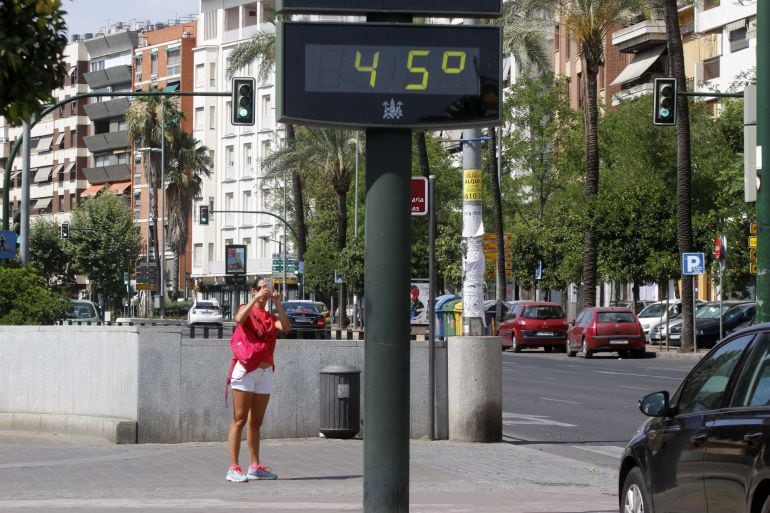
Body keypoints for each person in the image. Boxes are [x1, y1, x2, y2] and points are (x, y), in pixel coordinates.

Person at [226, 277, 290, 483]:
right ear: (254, 291)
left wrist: (278, 303)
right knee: (240, 419)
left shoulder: (270, 317)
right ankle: (233, 467)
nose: (264, 291)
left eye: (267, 289)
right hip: (246, 370)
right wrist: (254, 300)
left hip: (265, 372)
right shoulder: (246, 308)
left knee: (256, 422)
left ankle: (254, 467)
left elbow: (286, 327)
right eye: (261, 288)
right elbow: (239, 319)